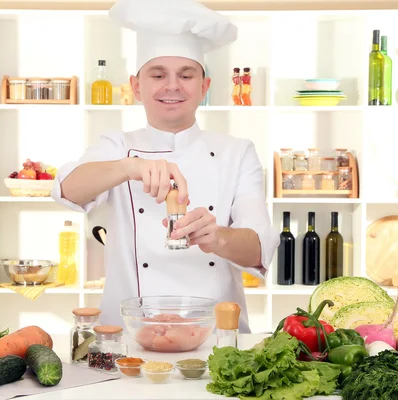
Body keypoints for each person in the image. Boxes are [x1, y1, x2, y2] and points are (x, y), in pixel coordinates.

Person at [52, 0, 278, 333]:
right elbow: (66, 189)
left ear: (204, 87)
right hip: (128, 337)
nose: (172, 85)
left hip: (216, 340)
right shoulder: (117, 146)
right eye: (158, 74)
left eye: (186, 75)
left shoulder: (237, 153)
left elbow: (259, 248)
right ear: (136, 86)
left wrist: (217, 238)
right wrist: (130, 167)